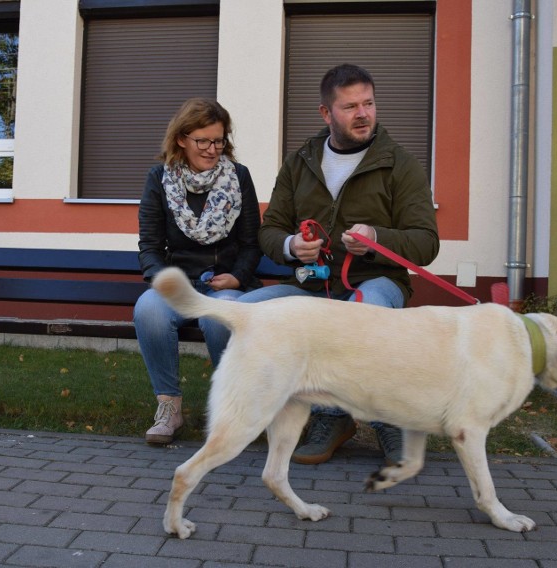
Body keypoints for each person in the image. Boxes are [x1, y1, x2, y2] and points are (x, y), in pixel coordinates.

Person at [239, 64, 440, 465]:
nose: (363, 113)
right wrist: (292, 246)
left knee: (360, 317)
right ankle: (277, 415)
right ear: (325, 113)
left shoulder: (400, 164)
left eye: (368, 103)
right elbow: (270, 230)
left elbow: (426, 241)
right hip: (311, 286)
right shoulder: (300, 163)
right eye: (350, 106)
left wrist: (377, 239)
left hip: (378, 281)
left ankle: (380, 419)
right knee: (237, 315)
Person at [135, 98, 262, 445]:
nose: (211, 149)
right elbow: (149, 247)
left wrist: (237, 276)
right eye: (202, 141)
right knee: (148, 310)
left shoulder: (239, 177)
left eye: (218, 141)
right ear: (182, 139)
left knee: (218, 318)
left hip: (227, 282)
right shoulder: (159, 179)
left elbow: (253, 243)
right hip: (179, 283)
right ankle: (169, 408)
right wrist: (164, 282)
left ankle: (235, 409)